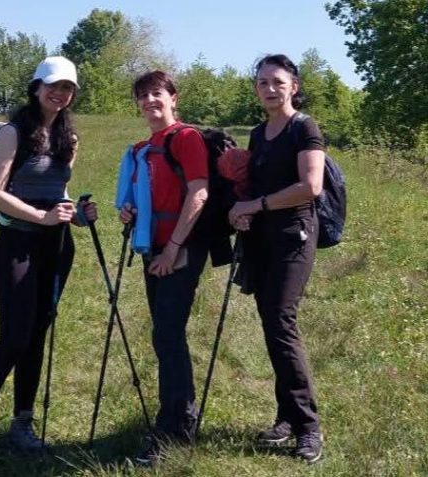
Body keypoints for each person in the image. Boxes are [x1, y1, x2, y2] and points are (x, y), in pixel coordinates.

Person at [0, 56, 97, 477]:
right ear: (36, 87)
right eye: (53, 86)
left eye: (67, 88)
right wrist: (41, 217)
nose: (60, 93)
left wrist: (76, 214)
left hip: (56, 246)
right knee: (13, 339)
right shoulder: (13, 133)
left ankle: (22, 425)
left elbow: (57, 191)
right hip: (17, 244)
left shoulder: (69, 137)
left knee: (37, 335)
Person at [228, 54, 325, 464]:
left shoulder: (304, 128)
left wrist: (257, 204)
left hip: (294, 235)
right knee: (271, 322)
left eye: (278, 82)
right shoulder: (258, 133)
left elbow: (311, 186)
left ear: (293, 87)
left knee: (281, 321)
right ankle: (286, 416)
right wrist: (244, 210)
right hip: (263, 239)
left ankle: (308, 426)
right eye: (263, 82)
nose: (269, 89)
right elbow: (254, 185)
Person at [118, 70, 210, 466]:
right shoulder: (145, 147)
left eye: (157, 93)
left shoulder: (186, 138)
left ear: (174, 98)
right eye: (143, 96)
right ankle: (176, 414)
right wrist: (130, 211)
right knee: (164, 333)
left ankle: (176, 424)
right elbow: (149, 194)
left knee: (168, 334)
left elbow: (199, 193)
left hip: (179, 248)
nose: (149, 101)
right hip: (152, 247)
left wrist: (173, 249)